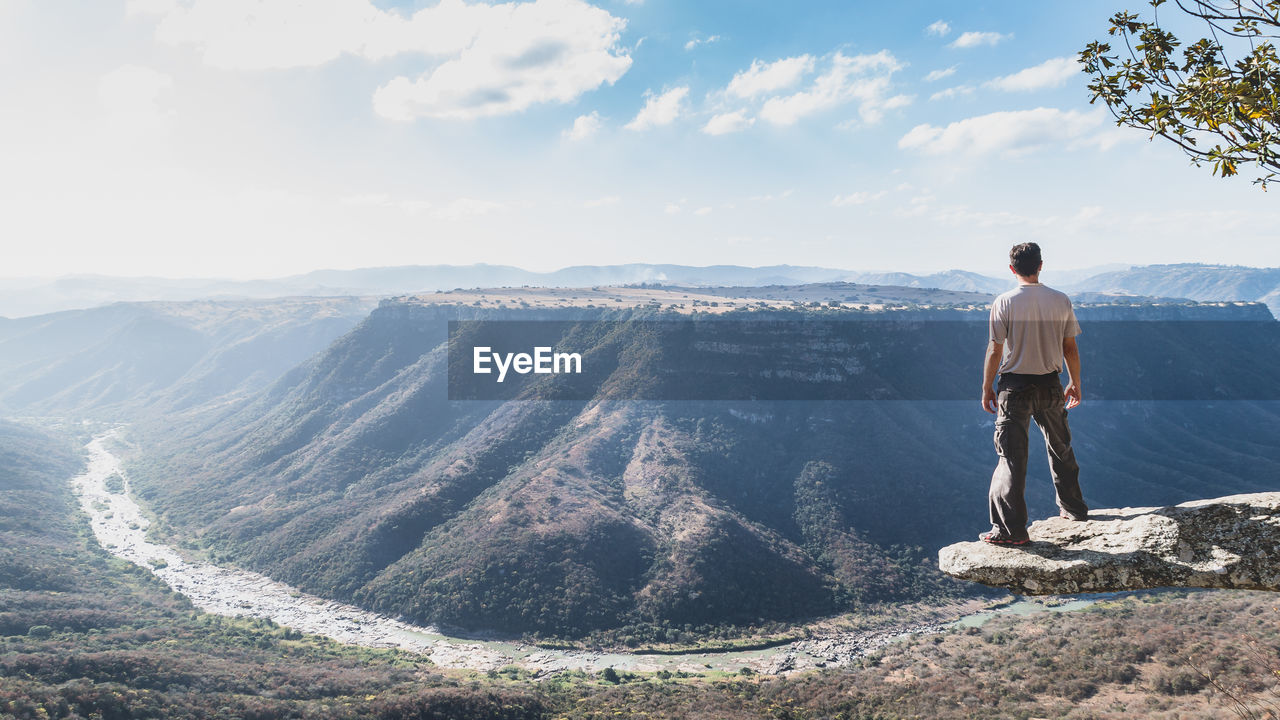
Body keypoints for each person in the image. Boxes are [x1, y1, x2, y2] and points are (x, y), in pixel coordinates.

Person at [979, 242, 1088, 545]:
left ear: (1012, 269)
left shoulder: (1004, 302)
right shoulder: (1060, 300)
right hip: (1051, 384)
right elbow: (1070, 348)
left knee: (1011, 458)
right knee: (1061, 447)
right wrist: (1075, 381)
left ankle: (1010, 531)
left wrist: (987, 387)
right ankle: (1073, 509)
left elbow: (995, 348)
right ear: (1041, 265)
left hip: (1014, 387)